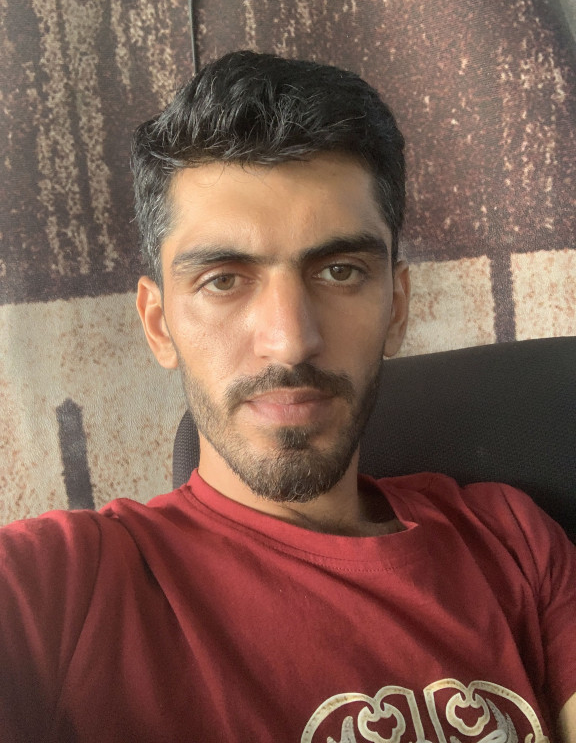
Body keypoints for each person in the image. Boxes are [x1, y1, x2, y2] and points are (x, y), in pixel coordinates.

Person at [1, 50, 574, 743]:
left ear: (396, 307)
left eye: (340, 271)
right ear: (158, 324)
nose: (291, 342)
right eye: (223, 280)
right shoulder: (61, 591)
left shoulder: (510, 540)